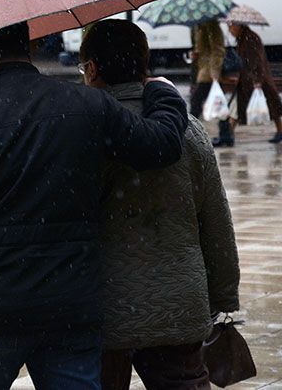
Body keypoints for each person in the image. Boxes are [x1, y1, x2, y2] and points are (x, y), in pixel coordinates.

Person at [0, 21, 189, 389]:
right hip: (68, 305)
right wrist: (163, 94)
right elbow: (161, 145)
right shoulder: (87, 105)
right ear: (29, 47)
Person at [79, 20, 240, 390]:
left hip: (102, 304)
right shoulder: (189, 130)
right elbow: (215, 221)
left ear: (92, 69)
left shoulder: (80, 131)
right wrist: (224, 294)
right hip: (178, 302)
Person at [214, 23, 282, 146]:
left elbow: (257, 60)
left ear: (239, 26)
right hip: (247, 80)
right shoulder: (243, 38)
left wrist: (257, 80)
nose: (230, 30)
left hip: (256, 80)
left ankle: (228, 135)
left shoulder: (251, 38)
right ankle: (228, 135)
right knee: (237, 107)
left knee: (272, 106)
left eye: (231, 27)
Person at [189, 21, 225, 119]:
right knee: (219, 102)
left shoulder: (211, 26)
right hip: (203, 67)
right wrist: (196, 53)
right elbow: (203, 47)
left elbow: (218, 50)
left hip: (209, 70)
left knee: (196, 100)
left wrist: (215, 72)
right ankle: (225, 130)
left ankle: (191, 127)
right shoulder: (197, 26)